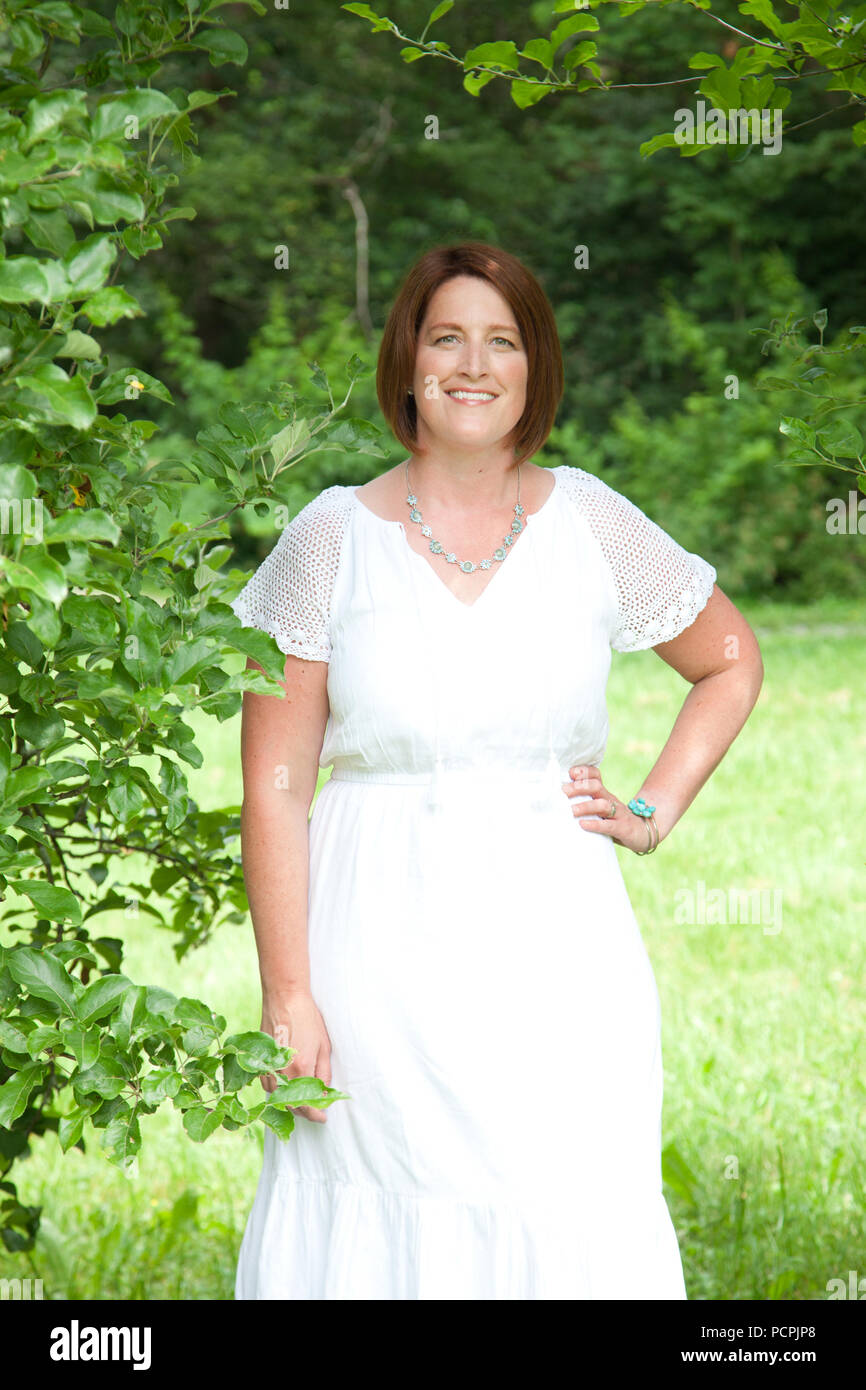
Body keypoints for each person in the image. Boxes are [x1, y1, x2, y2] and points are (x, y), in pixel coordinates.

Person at [229, 241, 763, 1300]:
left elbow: (729, 661)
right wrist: (287, 992)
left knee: (559, 1195)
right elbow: (274, 788)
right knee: (373, 1198)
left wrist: (652, 805)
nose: (472, 363)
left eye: (501, 341)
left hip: (559, 952)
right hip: (372, 944)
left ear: (533, 368)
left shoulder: (591, 522)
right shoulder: (327, 536)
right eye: (445, 338)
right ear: (407, 363)